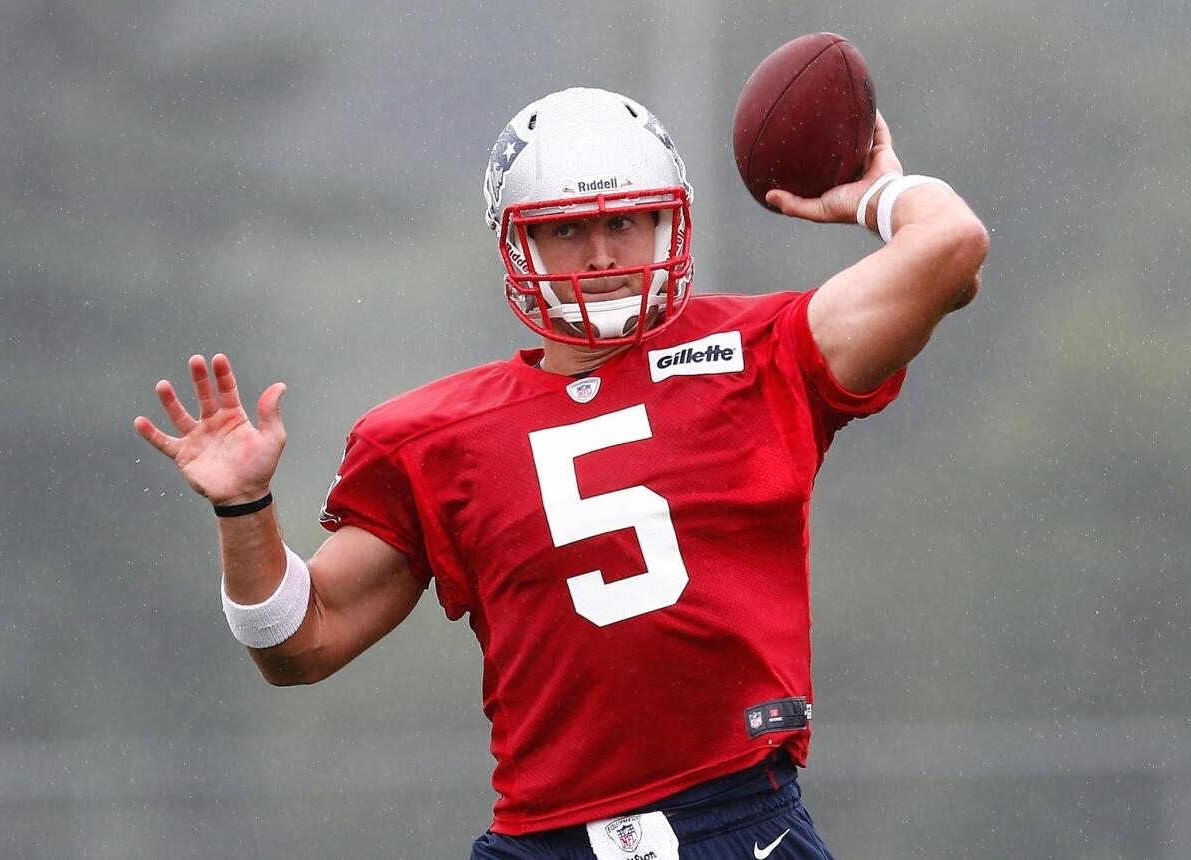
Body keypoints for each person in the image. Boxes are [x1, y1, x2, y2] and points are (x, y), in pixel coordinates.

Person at [135, 87, 987, 859]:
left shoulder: (759, 355)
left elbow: (951, 246)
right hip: (546, 841)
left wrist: (867, 191)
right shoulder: (431, 436)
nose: (602, 252)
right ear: (518, 243)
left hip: (739, 819)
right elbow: (299, 644)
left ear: (670, 225)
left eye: (626, 221)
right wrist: (246, 508)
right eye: (566, 229)